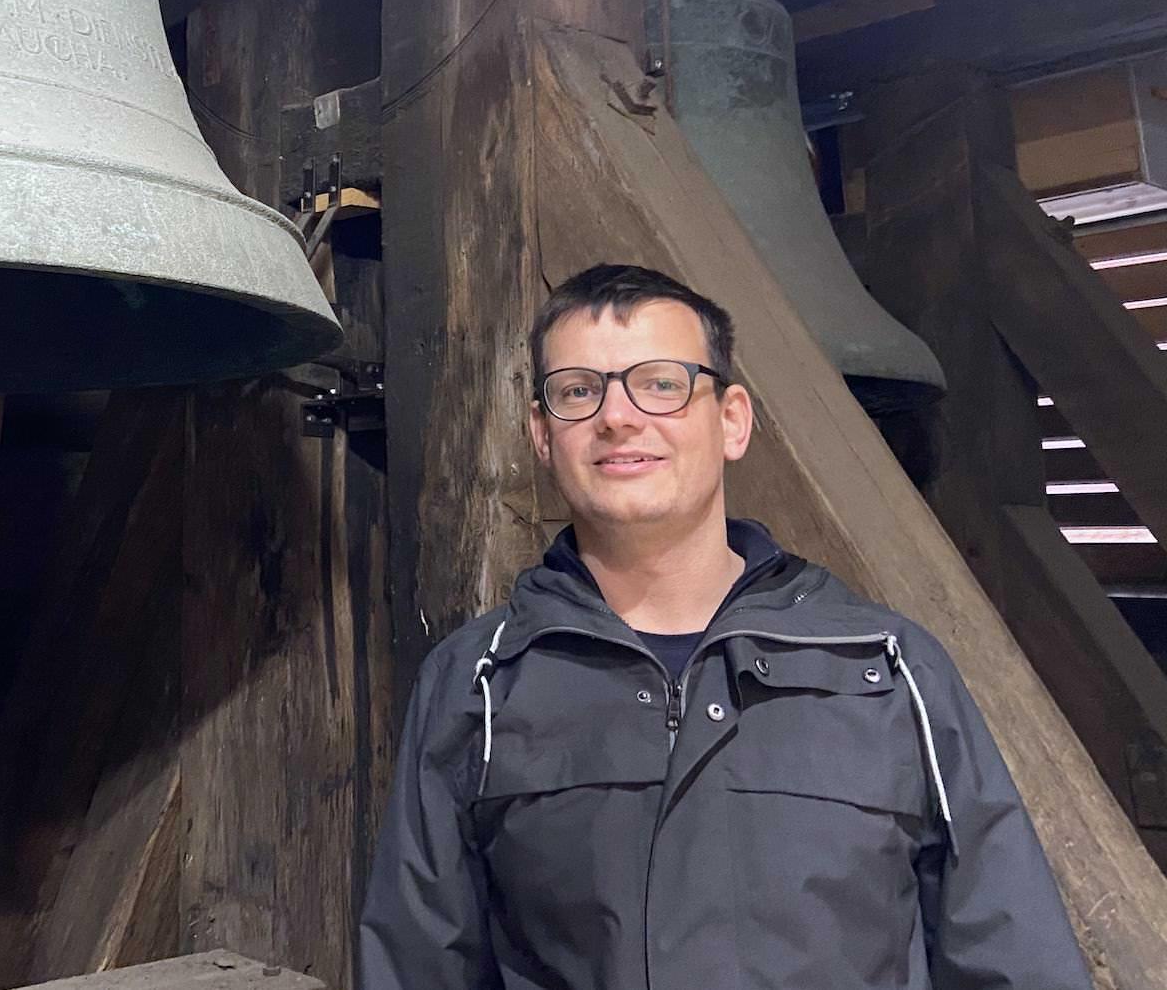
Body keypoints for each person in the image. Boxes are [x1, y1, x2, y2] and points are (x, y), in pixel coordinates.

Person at [358, 263, 1091, 990]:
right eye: (579, 391)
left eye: (661, 384)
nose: (617, 417)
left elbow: (1016, 961)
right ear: (543, 436)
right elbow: (418, 967)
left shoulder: (891, 672)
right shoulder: (476, 685)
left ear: (731, 420)